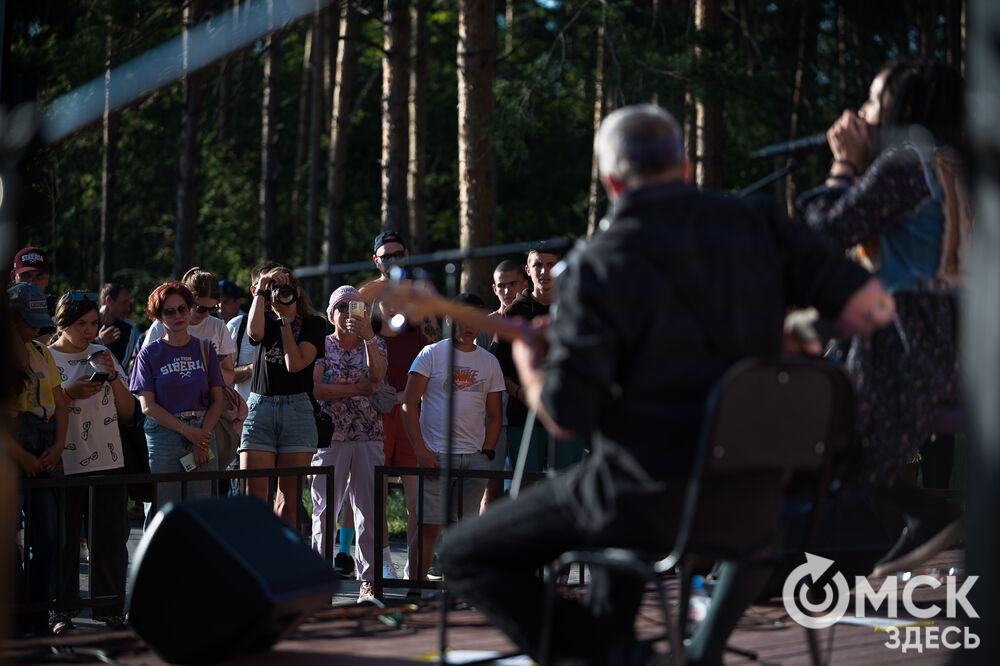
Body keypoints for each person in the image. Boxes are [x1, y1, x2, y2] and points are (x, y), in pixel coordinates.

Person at [439, 104, 896, 666]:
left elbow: (564, 416)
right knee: (611, 510)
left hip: (643, 501)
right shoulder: (756, 224)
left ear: (611, 183)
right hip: (757, 500)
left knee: (463, 553)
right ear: (684, 168)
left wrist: (532, 368)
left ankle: (619, 656)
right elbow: (873, 308)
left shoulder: (597, 265)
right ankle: (614, 646)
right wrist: (794, 334)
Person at [799, 58, 965, 576]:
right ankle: (923, 515)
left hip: (902, 350)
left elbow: (821, 239)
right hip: (957, 349)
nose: (862, 111)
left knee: (795, 423)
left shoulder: (905, 168)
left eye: (872, 100)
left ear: (904, 109)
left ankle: (925, 514)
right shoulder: (959, 169)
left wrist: (844, 167)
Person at [402, 293, 504, 594]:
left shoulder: (489, 362)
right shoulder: (430, 354)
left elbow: (495, 414)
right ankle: (414, 592)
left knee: (464, 532)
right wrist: (422, 451)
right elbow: (409, 404)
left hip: (473, 459)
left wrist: (485, 452)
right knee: (429, 527)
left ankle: (455, 594)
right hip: (436, 457)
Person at [47, 291, 134, 633]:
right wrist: (69, 393)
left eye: (94, 323)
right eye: (81, 324)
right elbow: (39, 411)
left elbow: (128, 412)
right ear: (63, 323)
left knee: (110, 541)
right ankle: (61, 613)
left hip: (109, 461)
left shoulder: (103, 353)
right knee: (64, 541)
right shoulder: (46, 357)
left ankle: (110, 610)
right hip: (63, 462)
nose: (89, 330)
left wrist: (112, 377)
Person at [359, 230, 440, 581]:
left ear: (406, 255)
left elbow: (438, 341)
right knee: (373, 494)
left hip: (415, 406)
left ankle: (414, 565)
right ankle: (384, 562)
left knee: (415, 498)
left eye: (397, 254)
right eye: (385, 256)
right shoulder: (365, 294)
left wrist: (424, 319)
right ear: (376, 260)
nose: (392, 261)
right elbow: (347, 341)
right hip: (376, 406)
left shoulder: (422, 292)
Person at [310, 286, 388, 603]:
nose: (348, 313)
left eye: (355, 307)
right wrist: (359, 388)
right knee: (325, 510)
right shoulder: (320, 345)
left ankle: (369, 582)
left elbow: (378, 377)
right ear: (331, 314)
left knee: (368, 512)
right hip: (330, 437)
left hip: (368, 435)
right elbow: (315, 390)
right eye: (342, 307)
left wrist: (368, 334)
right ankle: (317, 582)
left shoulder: (376, 343)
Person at [130, 281, 225, 530]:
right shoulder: (149, 354)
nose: (178, 316)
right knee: (164, 512)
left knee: (203, 512)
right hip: (164, 435)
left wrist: (201, 436)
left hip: (204, 431)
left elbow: (218, 399)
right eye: (169, 312)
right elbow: (147, 406)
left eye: (182, 308)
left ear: (190, 308)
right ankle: (161, 568)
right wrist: (188, 432)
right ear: (158, 317)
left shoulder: (205, 349)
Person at [240, 265, 326, 525]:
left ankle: (281, 561)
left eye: (286, 290)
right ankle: (251, 562)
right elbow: (254, 334)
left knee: (288, 502)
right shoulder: (262, 317)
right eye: (274, 290)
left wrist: (286, 320)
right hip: (260, 408)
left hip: (297, 411)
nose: (280, 296)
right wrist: (262, 290)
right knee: (253, 498)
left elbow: (295, 364)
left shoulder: (314, 323)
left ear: (297, 293)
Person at [8, 283, 68, 637]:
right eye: (27, 322)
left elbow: (60, 403)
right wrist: (18, 455)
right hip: (12, 448)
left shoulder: (43, 354)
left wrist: (59, 445)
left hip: (46, 446)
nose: (35, 329)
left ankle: (36, 615)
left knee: (46, 538)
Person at [492, 247, 584, 476]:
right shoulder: (513, 312)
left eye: (551, 264)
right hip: (523, 418)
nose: (544, 271)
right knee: (526, 486)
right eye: (538, 265)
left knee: (567, 487)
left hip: (568, 415)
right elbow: (496, 366)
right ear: (528, 270)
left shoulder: (575, 308)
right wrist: (520, 392)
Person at [478, 260, 529, 510]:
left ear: (525, 284)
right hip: (492, 422)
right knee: (491, 490)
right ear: (494, 289)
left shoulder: (534, 321)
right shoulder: (484, 328)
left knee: (528, 490)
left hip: (525, 417)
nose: (507, 291)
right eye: (501, 286)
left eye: (513, 284)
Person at [143, 268, 237, 386]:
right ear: (187, 300)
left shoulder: (218, 326)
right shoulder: (163, 325)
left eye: (212, 309)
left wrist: (210, 365)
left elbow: (230, 376)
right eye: (201, 309)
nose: (207, 314)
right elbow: (145, 372)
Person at [97, 283, 140, 377]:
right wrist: (99, 341)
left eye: (129, 303)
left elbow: (122, 367)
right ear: (109, 301)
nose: (128, 309)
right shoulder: (88, 322)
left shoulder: (129, 328)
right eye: (124, 303)